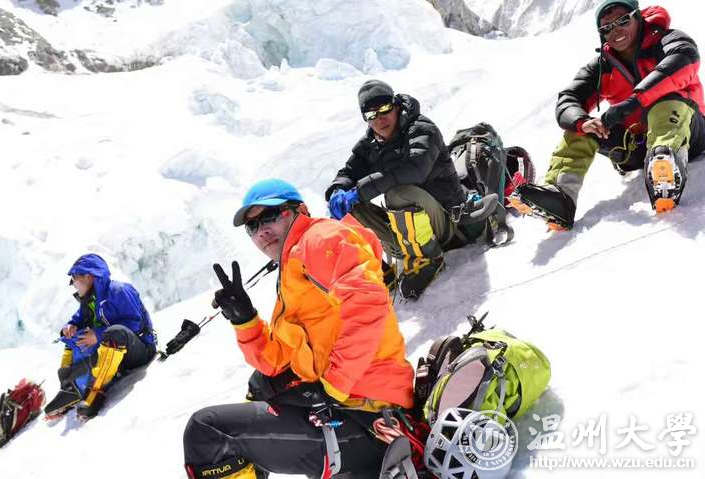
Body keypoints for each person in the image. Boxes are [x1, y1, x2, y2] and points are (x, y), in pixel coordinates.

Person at [182, 179, 415, 479]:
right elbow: (276, 362)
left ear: (300, 211)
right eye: (252, 226)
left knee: (207, 432)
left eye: (270, 216)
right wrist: (245, 320)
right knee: (261, 385)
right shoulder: (294, 265)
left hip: (367, 415)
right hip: (347, 407)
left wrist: (333, 387)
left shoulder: (320, 239)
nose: (262, 230)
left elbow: (368, 308)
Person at [513, 0, 705, 229]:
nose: (615, 30)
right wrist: (582, 122)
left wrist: (633, 101)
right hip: (637, 146)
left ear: (638, 17)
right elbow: (569, 99)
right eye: (607, 27)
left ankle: (666, 166)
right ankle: (560, 197)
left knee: (666, 103)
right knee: (583, 128)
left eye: (623, 20)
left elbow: (684, 59)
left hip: (689, 133)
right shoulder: (603, 66)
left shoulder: (666, 40)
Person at [325, 80, 498, 299]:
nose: (379, 118)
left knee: (398, 193)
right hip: (411, 233)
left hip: (450, 225)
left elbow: (415, 169)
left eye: (384, 109)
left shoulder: (422, 129)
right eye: (371, 114)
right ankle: (379, 270)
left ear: (396, 105)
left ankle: (428, 259)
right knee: (345, 207)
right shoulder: (371, 143)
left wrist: (359, 190)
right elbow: (348, 172)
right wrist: (337, 191)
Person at [43, 253, 156, 419]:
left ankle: (95, 393)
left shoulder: (119, 291)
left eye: (74, 279)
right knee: (74, 337)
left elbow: (135, 324)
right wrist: (71, 326)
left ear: (88, 277)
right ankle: (70, 387)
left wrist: (98, 334)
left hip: (140, 349)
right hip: (117, 353)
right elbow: (79, 318)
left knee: (114, 333)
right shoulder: (91, 300)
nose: (73, 284)